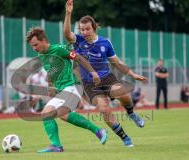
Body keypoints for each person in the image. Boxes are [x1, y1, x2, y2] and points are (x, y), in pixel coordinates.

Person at [64, 0, 147, 147]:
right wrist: (68, 13)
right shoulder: (78, 41)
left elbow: (116, 62)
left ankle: (131, 113)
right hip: (89, 83)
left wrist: (133, 75)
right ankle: (124, 137)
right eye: (82, 29)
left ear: (94, 28)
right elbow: (67, 34)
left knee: (123, 94)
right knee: (103, 109)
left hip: (107, 77)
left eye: (87, 29)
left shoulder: (105, 42)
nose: (84, 32)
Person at [24, 27, 107, 153]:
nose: (34, 48)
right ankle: (95, 131)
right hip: (60, 90)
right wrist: (51, 86)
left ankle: (57, 145)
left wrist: (93, 73)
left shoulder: (59, 49)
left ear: (43, 40)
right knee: (56, 115)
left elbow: (78, 58)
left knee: (52, 114)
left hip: (71, 87)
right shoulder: (41, 55)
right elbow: (51, 71)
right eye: (32, 46)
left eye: (36, 44)